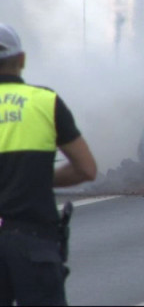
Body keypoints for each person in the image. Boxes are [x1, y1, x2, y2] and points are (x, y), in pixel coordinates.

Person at [0, 23, 97, 305]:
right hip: (33, 241)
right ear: (21, 60)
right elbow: (86, 169)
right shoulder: (45, 102)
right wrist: (36, 176)